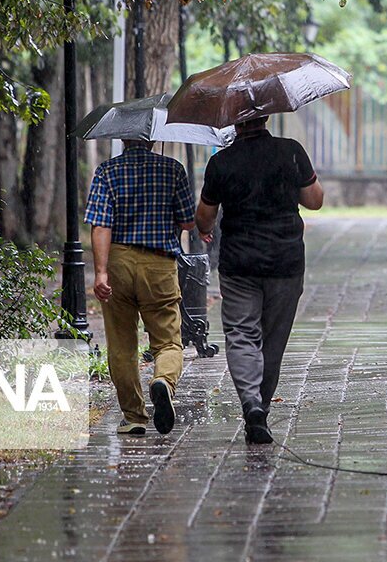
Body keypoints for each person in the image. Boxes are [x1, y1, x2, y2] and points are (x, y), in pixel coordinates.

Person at [194, 116, 324, 445]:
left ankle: (251, 403)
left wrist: (206, 230)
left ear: (234, 124)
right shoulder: (290, 152)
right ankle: (261, 406)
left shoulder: (221, 162)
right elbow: (315, 200)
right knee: (273, 342)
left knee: (241, 334)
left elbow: (205, 217)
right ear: (266, 116)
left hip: (239, 263)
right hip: (286, 262)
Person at [85, 139, 197, 436]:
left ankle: (134, 416)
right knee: (169, 341)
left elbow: (100, 225)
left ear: (123, 139)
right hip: (159, 264)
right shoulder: (173, 169)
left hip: (118, 262)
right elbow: (188, 221)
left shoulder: (107, 171)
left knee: (122, 344)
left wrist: (100, 273)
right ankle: (163, 381)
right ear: (151, 140)